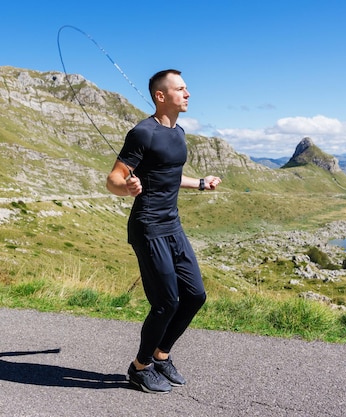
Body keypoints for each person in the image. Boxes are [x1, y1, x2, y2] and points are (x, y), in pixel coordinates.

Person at [106, 69, 221, 393]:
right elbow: (113, 178)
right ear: (161, 96)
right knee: (166, 303)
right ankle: (140, 367)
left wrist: (199, 183)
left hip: (172, 225)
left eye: (186, 89)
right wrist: (126, 187)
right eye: (181, 89)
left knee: (195, 295)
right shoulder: (143, 133)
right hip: (148, 227)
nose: (188, 94)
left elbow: (170, 175)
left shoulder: (179, 132)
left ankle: (161, 354)